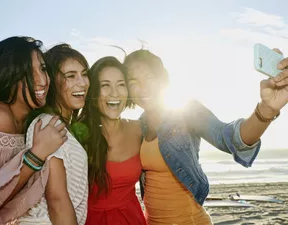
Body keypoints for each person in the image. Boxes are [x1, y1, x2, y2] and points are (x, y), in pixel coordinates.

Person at [123, 49, 288, 225]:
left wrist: (267, 109)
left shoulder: (185, 112)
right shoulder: (138, 126)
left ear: (161, 78)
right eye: (133, 81)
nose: (143, 87)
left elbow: (228, 137)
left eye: (149, 76)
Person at [0, 36, 67, 225]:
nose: (42, 81)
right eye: (27, 73)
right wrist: (37, 154)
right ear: (7, 76)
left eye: (43, 69)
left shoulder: (27, 121)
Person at [16, 44, 90, 225]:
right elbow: (57, 201)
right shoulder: (49, 125)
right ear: (52, 82)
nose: (82, 82)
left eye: (85, 74)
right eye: (70, 76)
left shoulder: (58, 125)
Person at [84, 56, 146, 225]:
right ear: (93, 91)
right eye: (105, 85)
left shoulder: (140, 129)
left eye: (121, 85)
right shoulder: (78, 135)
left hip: (133, 219)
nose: (115, 93)